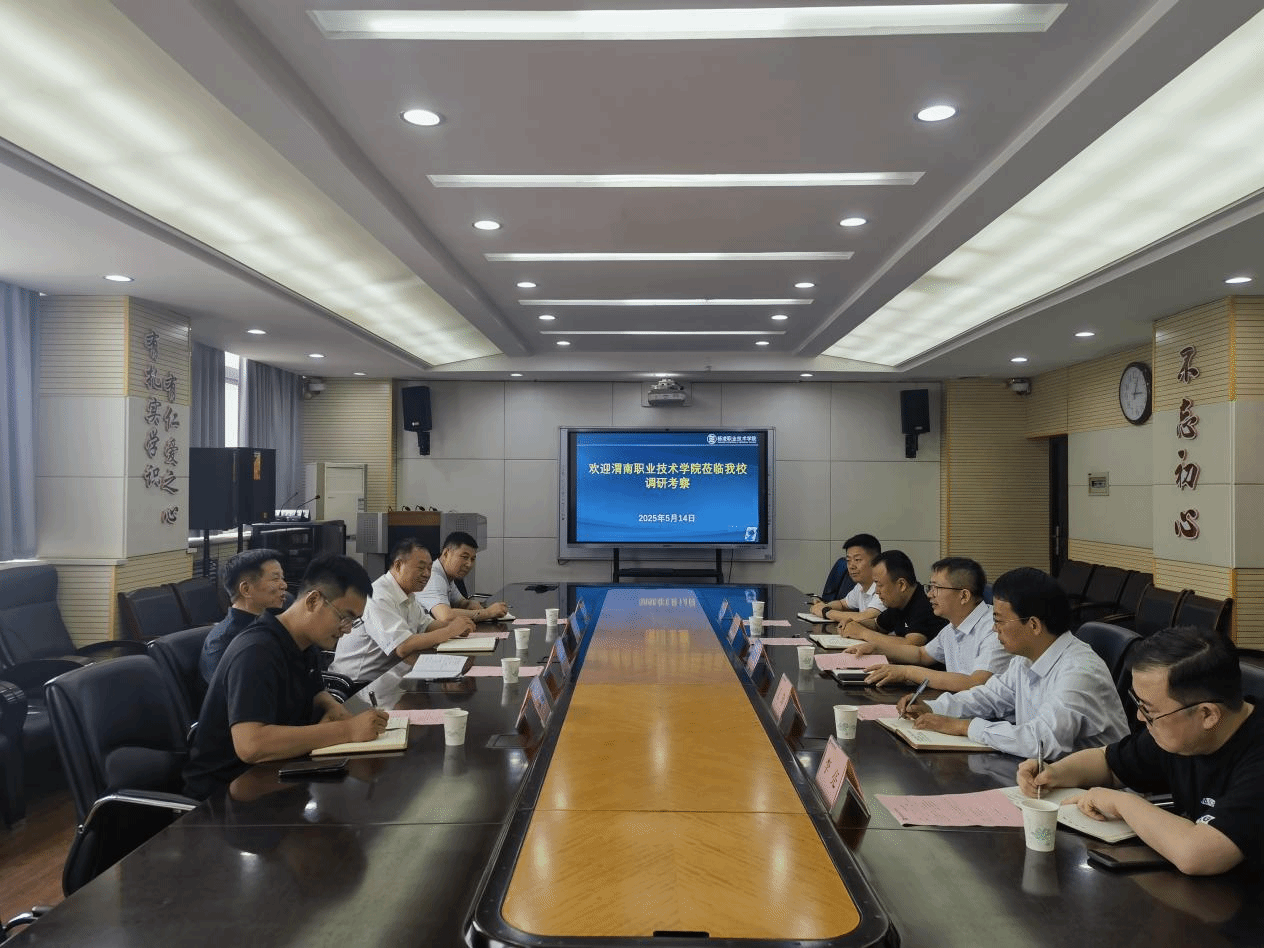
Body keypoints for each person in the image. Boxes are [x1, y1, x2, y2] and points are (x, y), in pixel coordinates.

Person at [1019, 626, 1263, 876]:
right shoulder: (1183, 730)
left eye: (1149, 709)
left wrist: (1122, 803)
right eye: (1138, 703)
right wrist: (1055, 772)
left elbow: (1197, 854)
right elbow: (1108, 763)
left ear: (1208, 715)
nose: (1139, 716)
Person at [184, 554, 389, 799]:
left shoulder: (302, 642)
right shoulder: (256, 651)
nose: (346, 629)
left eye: (353, 621)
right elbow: (251, 745)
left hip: (277, 772)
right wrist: (347, 730)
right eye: (344, 617)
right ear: (313, 601)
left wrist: (333, 707)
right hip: (225, 794)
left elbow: (315, 691)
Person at [901, 566, 1128, 759]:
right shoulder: (1026, 658)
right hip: (1044, 773)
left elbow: (1041, 740)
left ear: (1034, 625)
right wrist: (934, 707)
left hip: (1093, 789)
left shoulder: (1080, 671)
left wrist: (962, 726)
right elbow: (990, 696)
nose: (994, 629)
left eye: (999, 621)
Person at [848, 556, 1012, 690]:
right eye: (930, 587)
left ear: (964, 596)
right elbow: (922, 654)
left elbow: (976, 683)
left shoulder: (995, 628)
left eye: (936, 588)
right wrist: (877, 648)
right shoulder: (952, 626)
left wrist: (907, 672)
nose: (929, 595)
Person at [328, 538, 475, 684]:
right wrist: (450, 630)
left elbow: (426, 626)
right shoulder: (378, 596)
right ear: (398, 565)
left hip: (390, 676)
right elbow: (402, 647)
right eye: (421, 568)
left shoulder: (407, 593)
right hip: (357, 685)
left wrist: (459, 626)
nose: (426, 574)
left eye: (429, 568)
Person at [200, 548, 287, 684]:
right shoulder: (222, 642)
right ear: (246, 589)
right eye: (275, 579)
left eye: (282, 578)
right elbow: (226, 692)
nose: (284, 585)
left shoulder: (271, 624)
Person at [839, 550, 946, 647]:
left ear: (901, 585)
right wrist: (855, 624)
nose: (876, 591)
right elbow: (877, 625)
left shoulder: (925, 604)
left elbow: (910, 645)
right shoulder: (899, 602)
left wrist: (862, 633)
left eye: (879, 585)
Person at [417, 531, 509, 623]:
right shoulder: (433, 578)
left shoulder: (447, 576)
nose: (469, 564)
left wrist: (469, 604)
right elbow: (445, 616)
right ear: (446, 554)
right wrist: (488, 612)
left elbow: (460, 602)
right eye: (464, 557)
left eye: (472, 559)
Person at [809, 533, 883, 623]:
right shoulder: (860, 586)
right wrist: (824, 606)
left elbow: (866, 617)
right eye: (848, 560)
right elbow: (842, 604)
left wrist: (825, 612)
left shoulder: (883, 587)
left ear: (875, 561)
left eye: (857, 560)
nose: (851, 566)